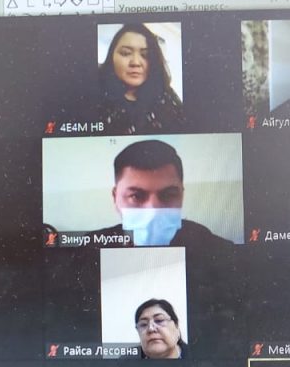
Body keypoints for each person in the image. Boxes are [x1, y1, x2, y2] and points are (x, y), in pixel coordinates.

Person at [91, 139, 232, 248]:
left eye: (168, 195)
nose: (153, 211)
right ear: (115, 197)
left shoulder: (210, 246)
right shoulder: (90, 248)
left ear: (181, 196)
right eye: (136, 196)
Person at [97, 23, 184, 134]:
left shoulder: (167, 97)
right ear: (111, 57)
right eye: (126, 53)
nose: (136, 63)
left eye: (145, 55)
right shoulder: (92, 93)